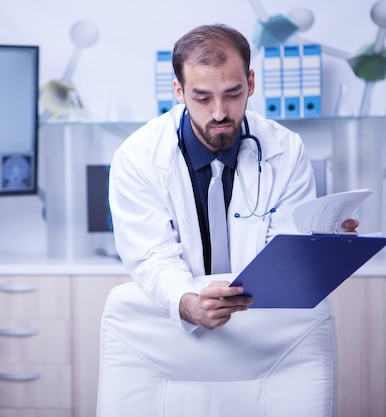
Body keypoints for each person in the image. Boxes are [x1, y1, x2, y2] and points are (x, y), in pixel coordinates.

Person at [108, 23, 359, 332]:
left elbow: (283, 252)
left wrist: (323, 243)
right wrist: (189, 302)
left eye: (232, 94)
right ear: (178, 92)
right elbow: (151, 258)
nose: (219, 113)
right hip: (174, 327)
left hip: (265, 324)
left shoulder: (286, 149)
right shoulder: (138, 157)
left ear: (250, 83)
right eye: (202, 98)